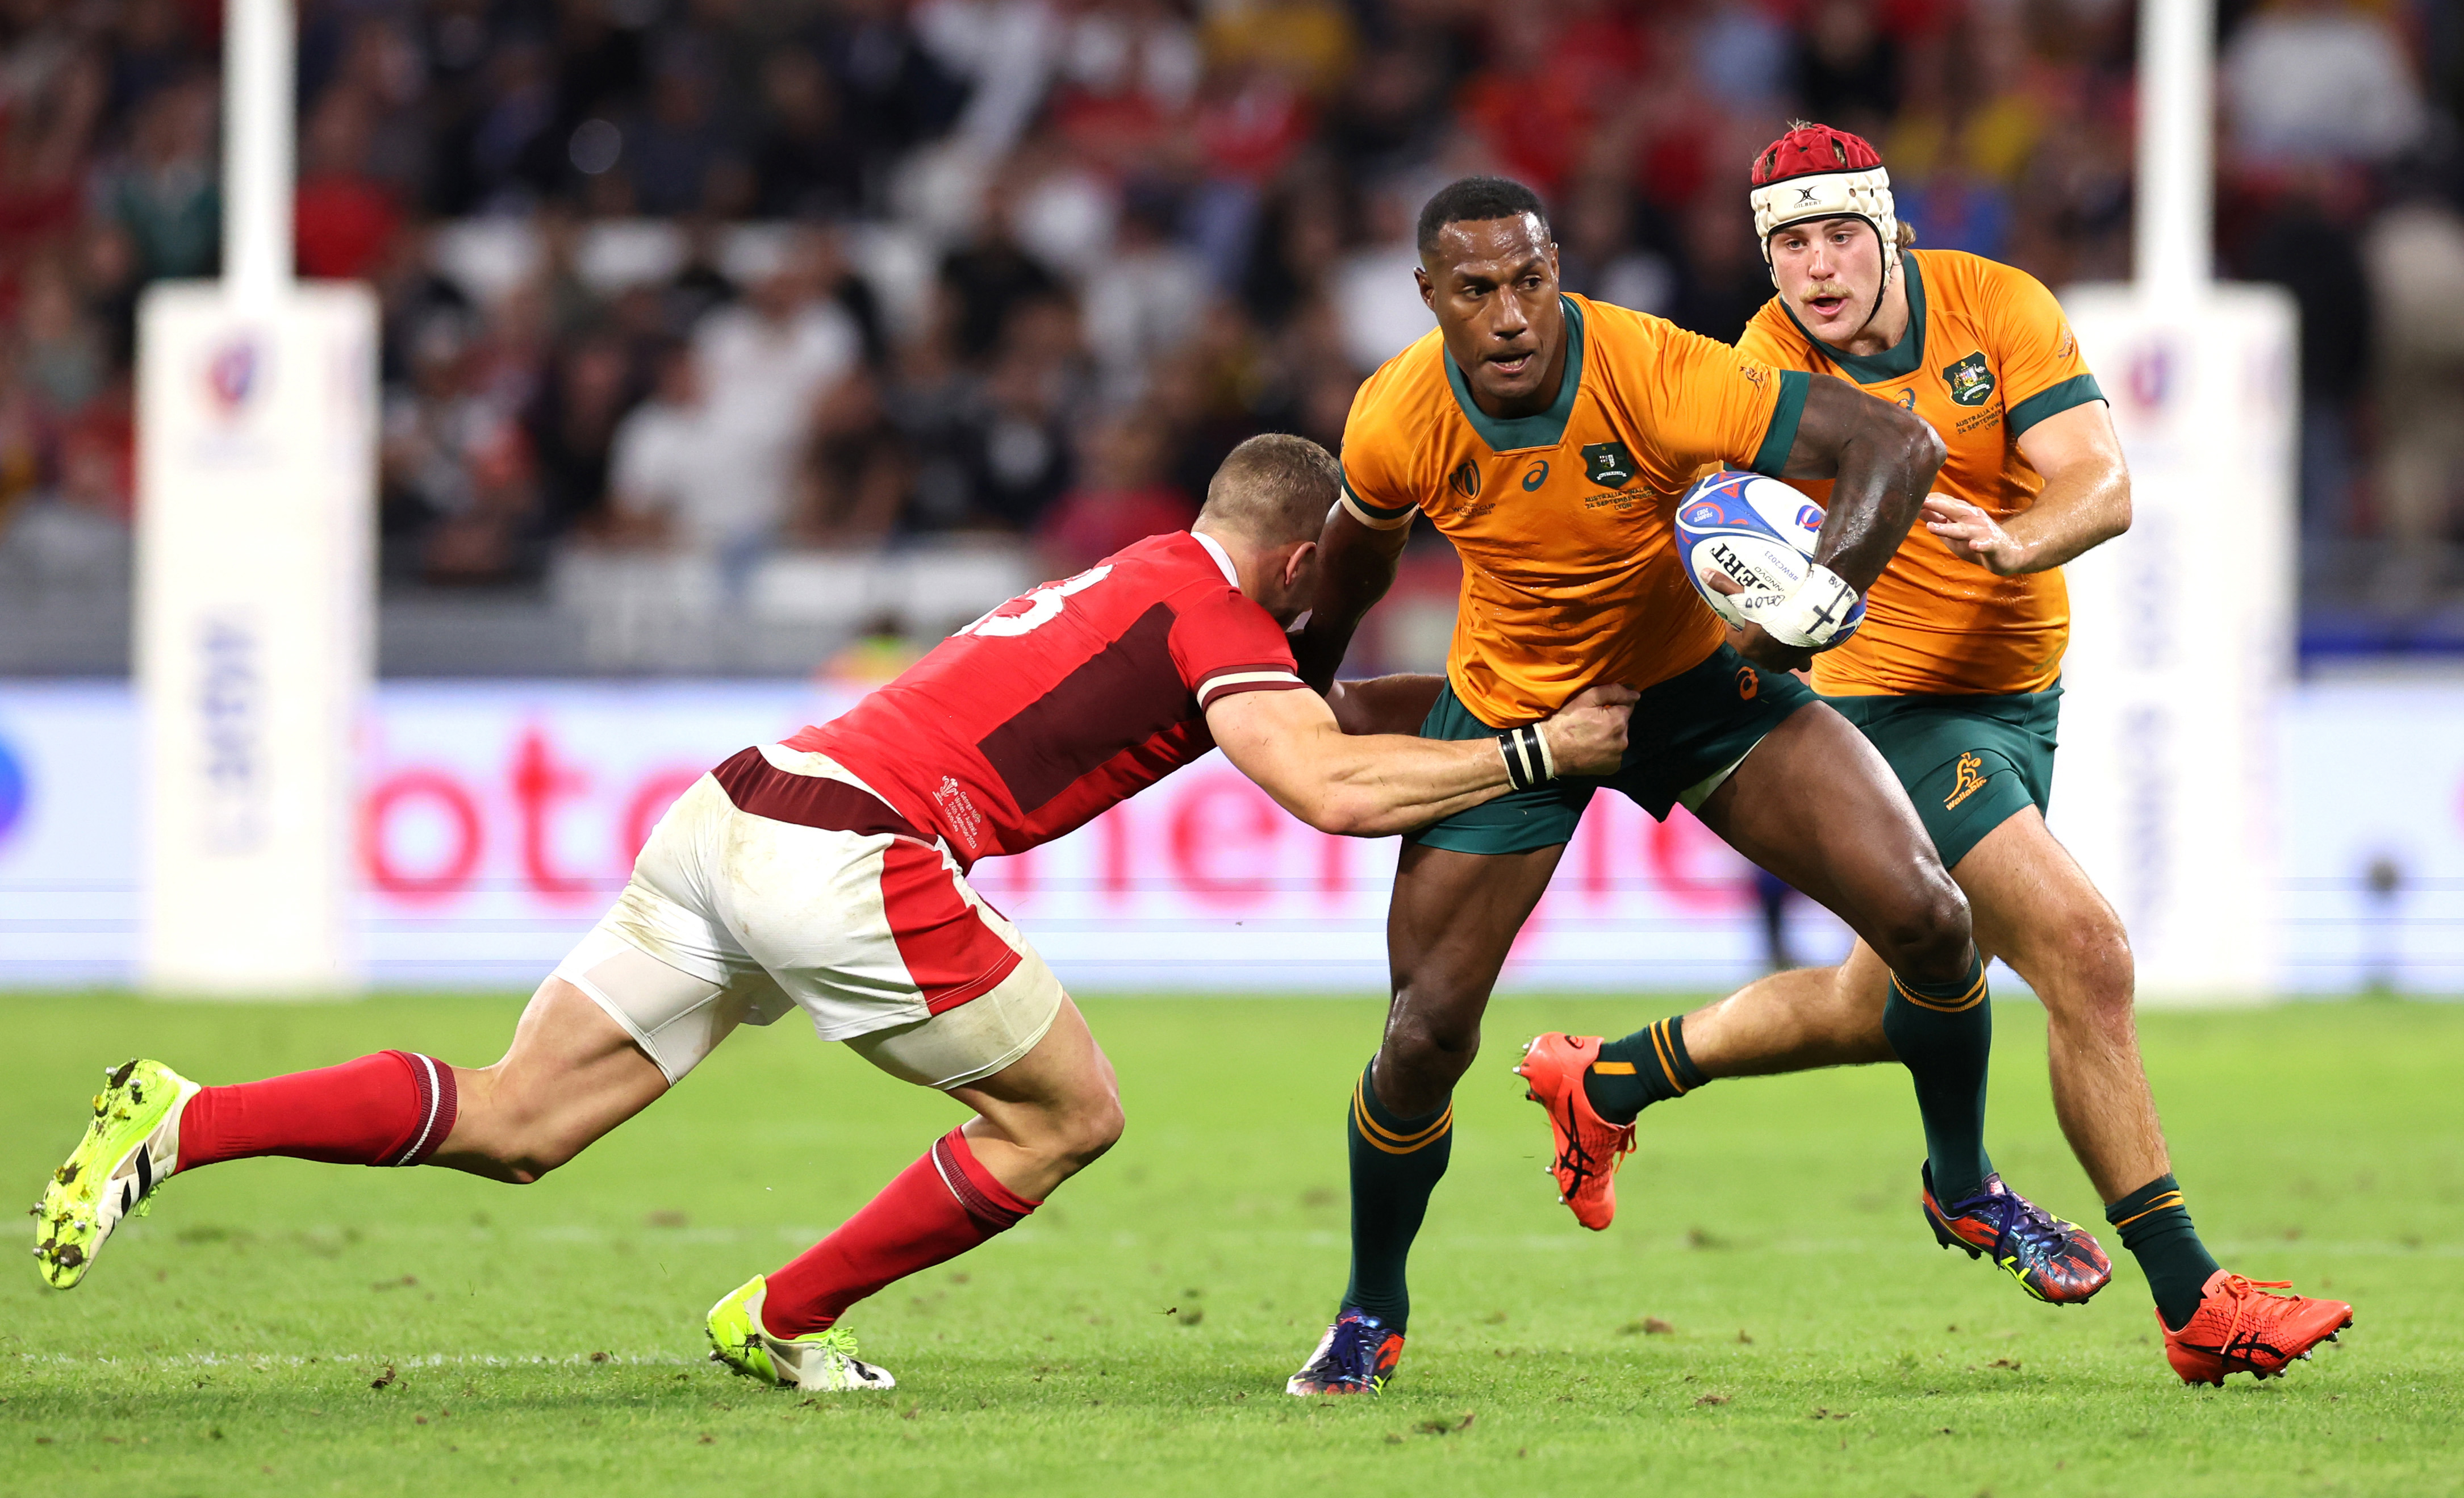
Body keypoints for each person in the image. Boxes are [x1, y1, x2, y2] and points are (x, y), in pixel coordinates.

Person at [31, 435, 1637, 1393]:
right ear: (1303, 552)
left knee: (519, 1120)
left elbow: (1327, 712)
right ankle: (785, 1314)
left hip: (734, 803)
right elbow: (1333, 790)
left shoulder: (1155, 574)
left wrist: (1477, 692)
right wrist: (1533, 749)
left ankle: (184, 1115)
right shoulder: (1222, 614)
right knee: (1069, 1111)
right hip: (861, 853)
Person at [1521, 123, 2352, 1387]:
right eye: (1788, 244)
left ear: (1889, 227)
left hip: (2020, 699)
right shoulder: (1765, 362)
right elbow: (1738, 540)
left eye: (1838, 232)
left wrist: (2023, 543)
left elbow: (2102, 481)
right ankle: (2194, 1295)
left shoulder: (1996, 305)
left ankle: (1608, 1078)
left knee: (1882, 1002)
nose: (1816, 266)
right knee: (2086, 950)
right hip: (1886, 714)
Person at [1285, 175, 2100, 1399]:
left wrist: (1817, 601)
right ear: (1428, 298)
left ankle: (1964, 1183)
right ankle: (1370, 1306)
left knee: (1935, 918)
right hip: (1519, 716)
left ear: (1557, 268)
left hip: (1697, 694)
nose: (1510, 315)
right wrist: (1289, 698)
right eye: (1476, 292)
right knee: (1423, 1037)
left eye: (1529, 281)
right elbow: (1346, 577)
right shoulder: (1396, 415)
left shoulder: (1654, 367)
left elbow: (1896, 442)